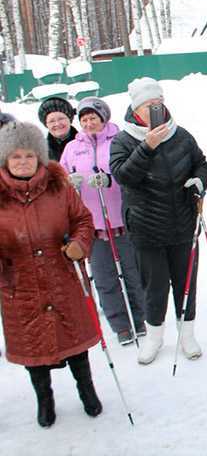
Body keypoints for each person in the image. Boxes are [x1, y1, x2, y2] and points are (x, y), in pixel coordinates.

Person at [0, 121, 101, 427]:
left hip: (61, 278)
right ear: (5, 159)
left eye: (29, 155)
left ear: (39, 157)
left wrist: (80, 245)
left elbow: (83, 220)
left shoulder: (59, 187)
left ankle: (88, 391)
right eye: (15, 156)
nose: (23, 161)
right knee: (34, 351)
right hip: (20, 287)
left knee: (76, 343)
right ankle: (45, 400)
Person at [109, 77, 207, 366]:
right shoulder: (124, 139)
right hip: (146, 226)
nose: (156, 109)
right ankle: (154, 336)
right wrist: (147, 146)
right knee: (153, 286)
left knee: (185, 282)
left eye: (159, 103)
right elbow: (124, 176)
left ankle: (186, 333)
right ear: (136, 109)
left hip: (183, 222)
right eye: (149, 105)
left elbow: (200, 162)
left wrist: (199, 181)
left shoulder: (181, 134)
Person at [60, 97, 146, 345]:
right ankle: (120, 325)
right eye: (84, 119)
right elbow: (60, 177)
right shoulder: (72, 147)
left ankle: (140, 319)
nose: (88, 123)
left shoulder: (119, 139)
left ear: (103, 118)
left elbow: (133, 170)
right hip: (92, 225)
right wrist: (69, 182)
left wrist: (110, 180)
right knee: (105, 278)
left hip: (122, 219)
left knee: (132, 273)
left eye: (93, 117)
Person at [38, 96, 79, 161]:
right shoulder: (40, 151)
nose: (57, 124)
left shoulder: (86, 144)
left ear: (70, 119)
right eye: (52, 121)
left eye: (61, 118)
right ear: (46, 125)